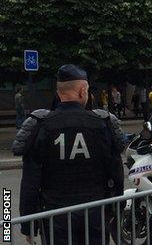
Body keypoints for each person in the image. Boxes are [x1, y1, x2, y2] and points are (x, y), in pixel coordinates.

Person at [18, 64, 124, 244]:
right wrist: (116, 210)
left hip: (55, 217)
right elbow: (116, 172)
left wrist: (28, 225)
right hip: (95, 214)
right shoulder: (102, 124)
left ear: (59, 93)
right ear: (83, 91)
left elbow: (30, 182)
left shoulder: (41, 126)